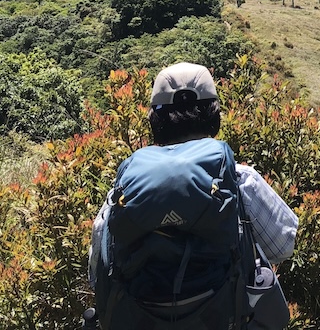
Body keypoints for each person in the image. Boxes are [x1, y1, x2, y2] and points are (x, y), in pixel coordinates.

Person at [89, 62, 298, 329]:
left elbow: (97, 272)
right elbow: (283, 245)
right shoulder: (239, 179)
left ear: (155, 121)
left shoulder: (125, 188)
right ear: (214, 117)